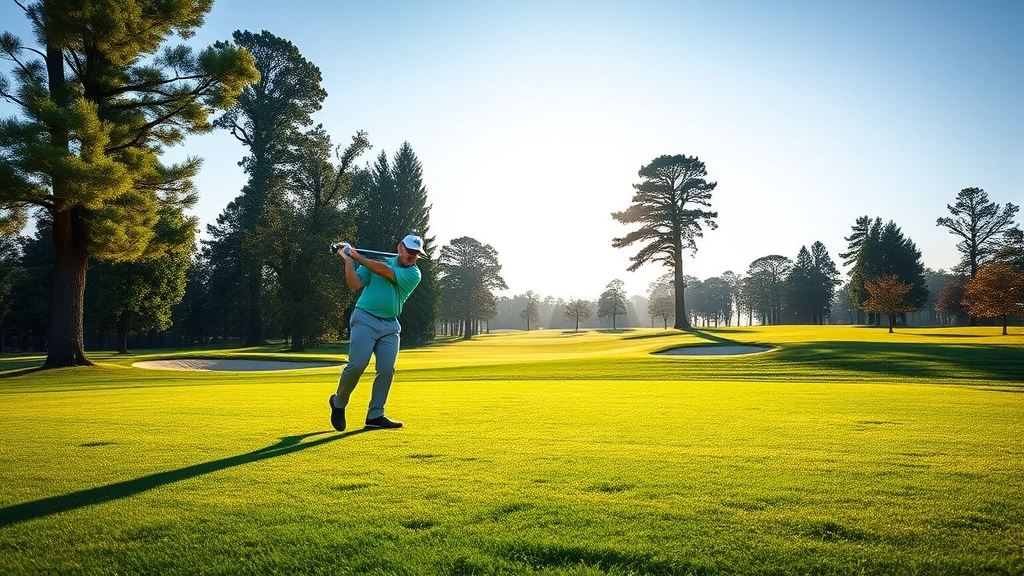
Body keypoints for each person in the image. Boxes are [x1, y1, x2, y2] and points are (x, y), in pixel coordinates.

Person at [329, 233, 427, 431]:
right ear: (400, 248)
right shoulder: (375, 262)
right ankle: (338, 403)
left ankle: (375, 415)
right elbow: (354, 284)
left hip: (390, 326)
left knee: (386, 369)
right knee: (357, 365)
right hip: (365, 318)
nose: (412, 256)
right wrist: (348, 259)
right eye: (410, 251)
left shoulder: (413, 274)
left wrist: (356, 255)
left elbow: (384, 271)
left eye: (416, 254)